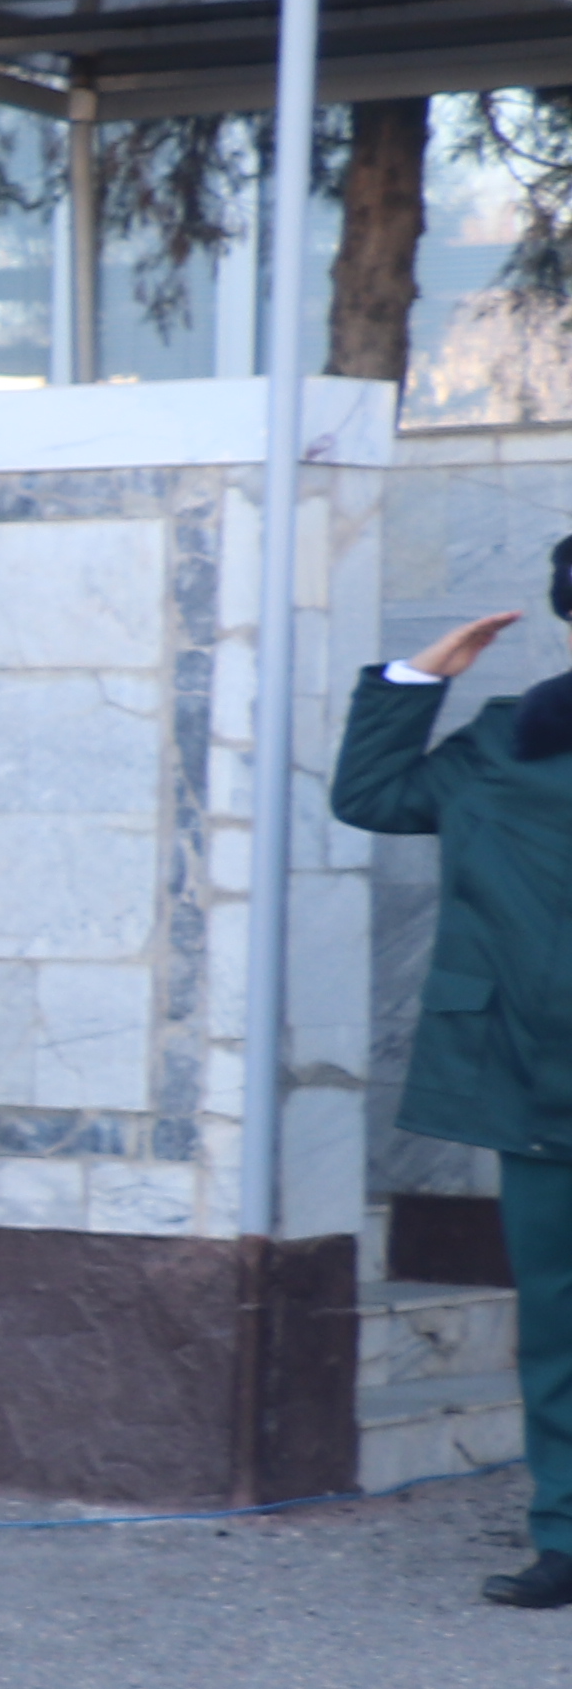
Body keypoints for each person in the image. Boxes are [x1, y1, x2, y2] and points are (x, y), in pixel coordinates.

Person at [339, 569, 572, 1608]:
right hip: (534, 1086)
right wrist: (417, 676)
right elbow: (372, 796)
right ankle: (566, 1538)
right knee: (560, 1328)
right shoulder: (502, 741)